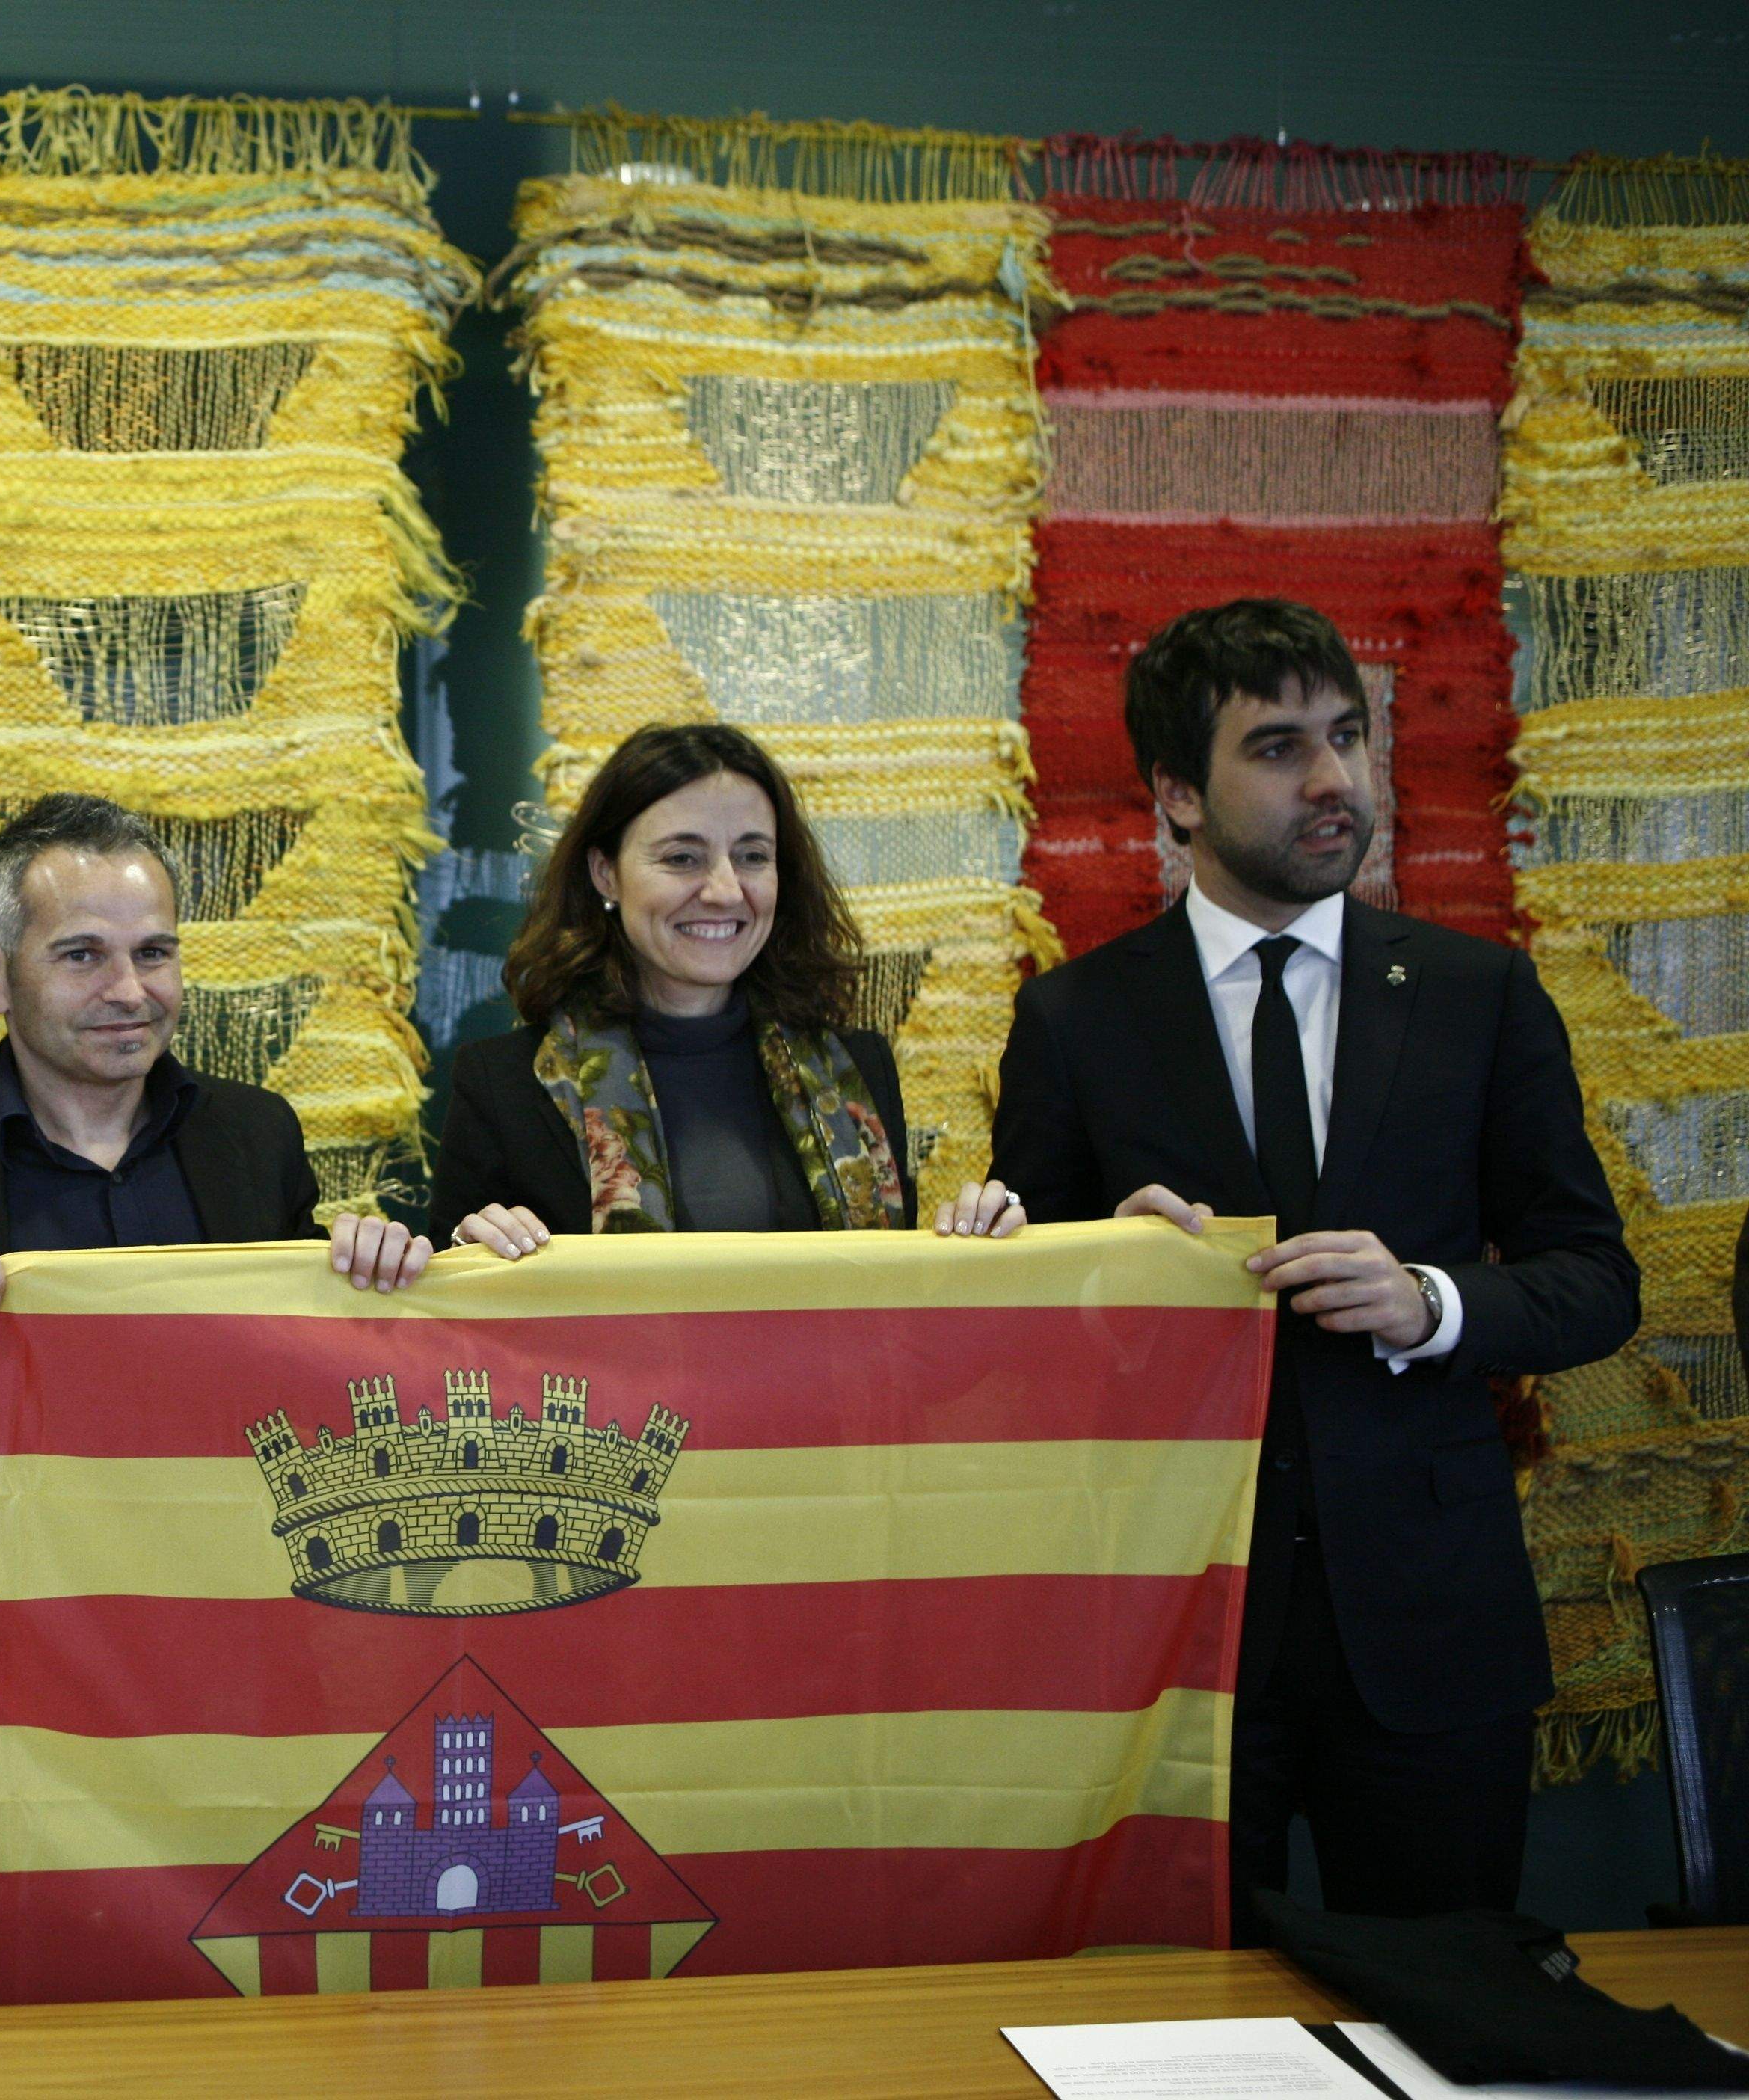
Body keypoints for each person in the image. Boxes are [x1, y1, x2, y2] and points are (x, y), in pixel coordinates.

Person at [944, 598, 1636, 1923]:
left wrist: (1428, 1301)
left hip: (1431, 1634)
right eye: (1275, 748)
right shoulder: (1072, 1019)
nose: (1332, 780)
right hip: (1173, 1643)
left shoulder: (1474, 992)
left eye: (1346, 736)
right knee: (1174, 2029)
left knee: (1453, 2019)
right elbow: (1021, 1347)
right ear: (1175, 797)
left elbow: (1594, 1279)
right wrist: (1104, 1278)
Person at [0, 793, 429, 1323]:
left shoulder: (259, 1138)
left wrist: (379, 1273)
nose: (130, 991)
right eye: (83, 955)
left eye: (154, 953)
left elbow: (309, 1355)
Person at [431, 722, 911, 1256]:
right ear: (605, 873)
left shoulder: (861, 1070)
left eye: (753, 856)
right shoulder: (504, 1087)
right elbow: (454, 1311)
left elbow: (903, 1295)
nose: (726, 890)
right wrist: (462, 1247)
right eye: (683, 858)